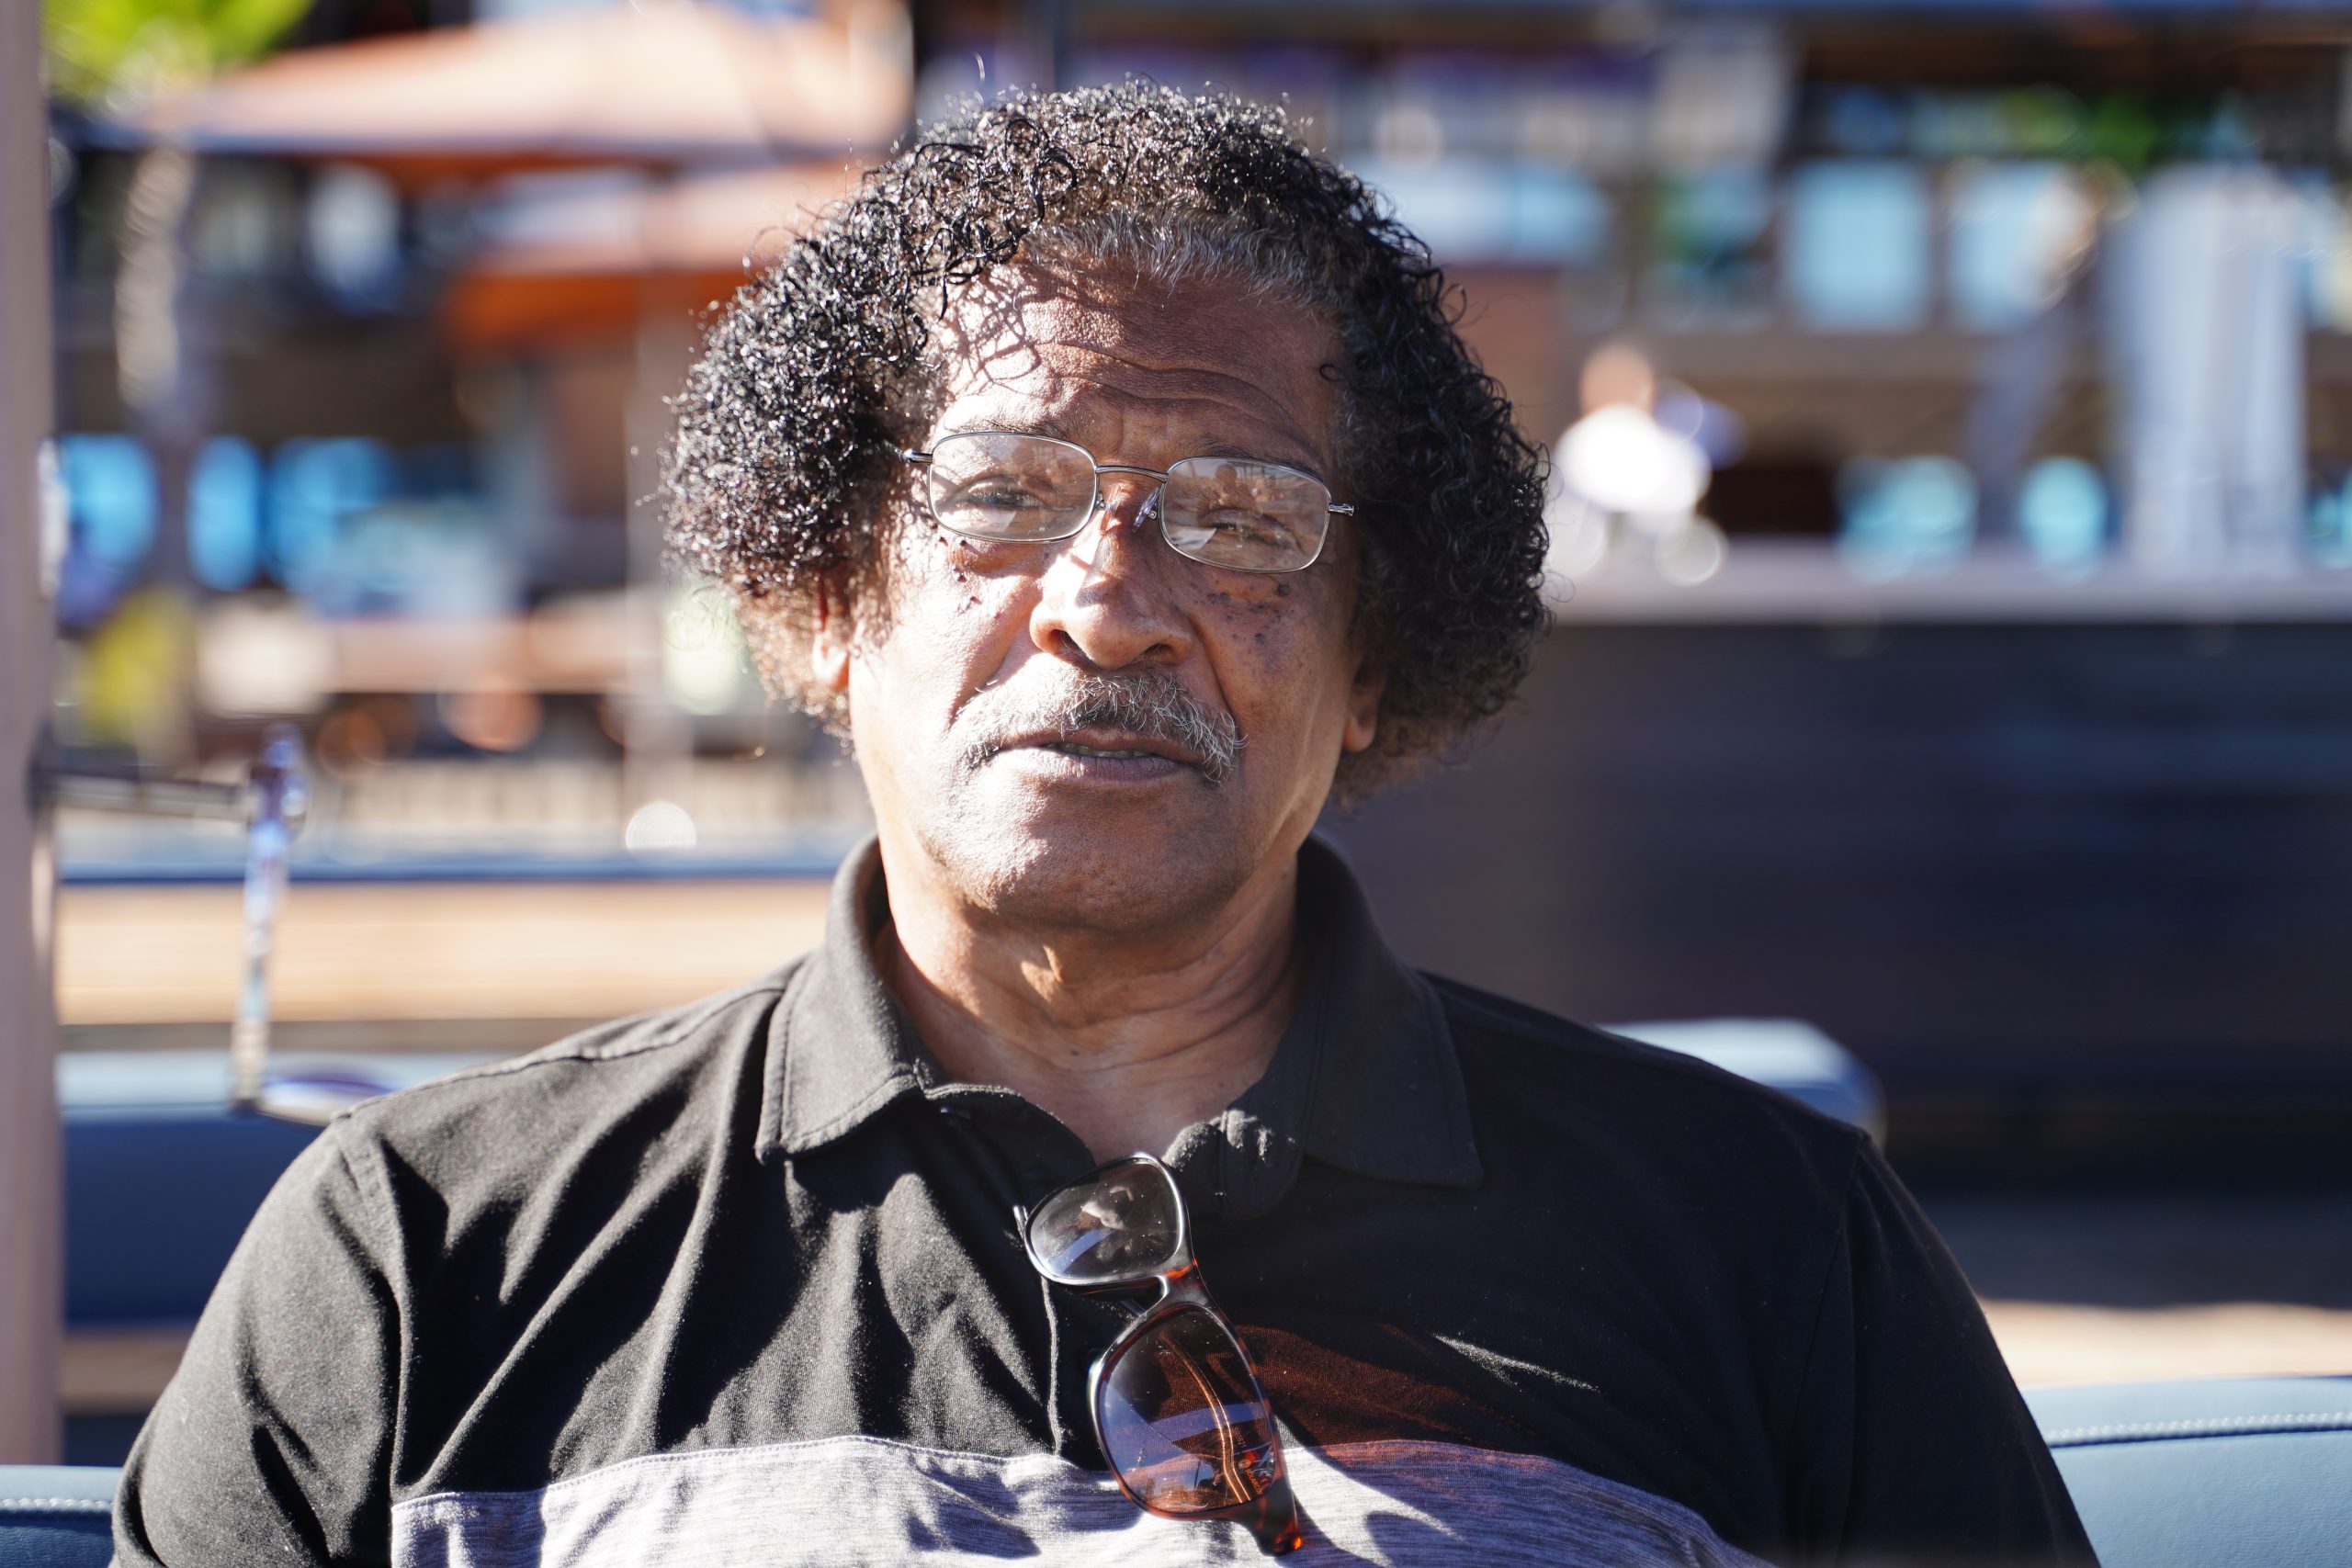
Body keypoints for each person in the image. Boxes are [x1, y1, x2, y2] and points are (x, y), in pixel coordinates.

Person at [112, 85, 2095, 1567]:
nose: (1107, 594)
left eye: (1237, 517)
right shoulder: (428, 1249)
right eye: (1001, 493)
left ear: (1376, 658)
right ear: (818, 605)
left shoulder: (1764, 1246)